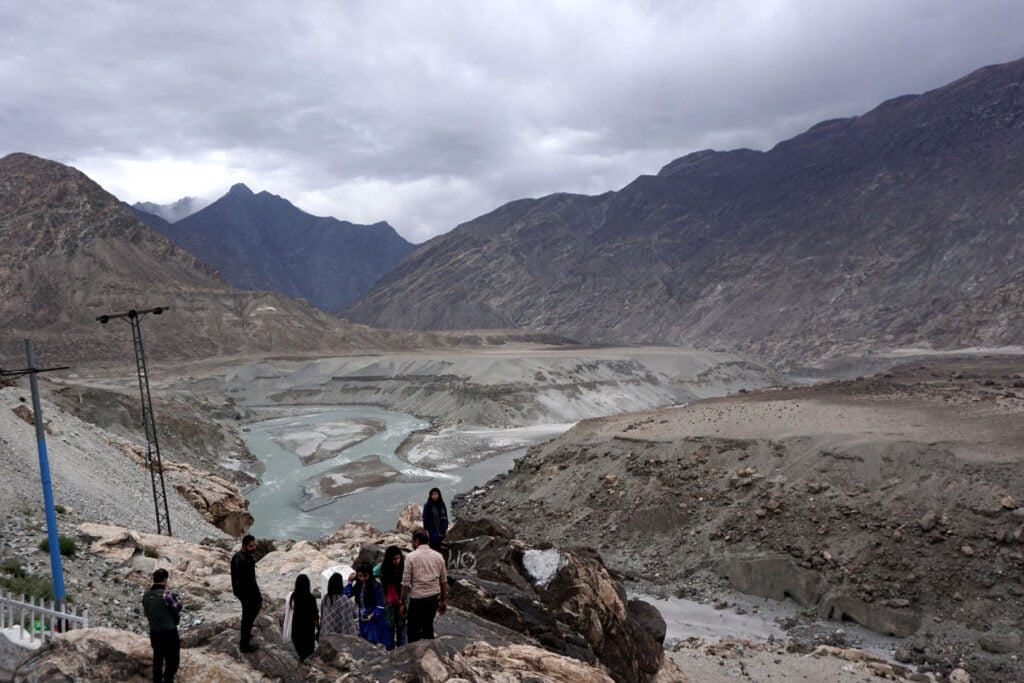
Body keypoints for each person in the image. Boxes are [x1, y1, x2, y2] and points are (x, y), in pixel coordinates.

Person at [400, 528, 447, 642]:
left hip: (417, 598)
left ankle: (414, 656)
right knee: (428, 626)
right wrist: (443, 601)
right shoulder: (438, 556)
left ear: (416, 542)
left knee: (412, 631)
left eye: (412, 541)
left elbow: (405, 583)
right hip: (433, 598)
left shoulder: (410, 557)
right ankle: (430, 651)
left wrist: (403, 603)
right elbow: (443, 581)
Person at [141, 567, 183, 683]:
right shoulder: (167, 594)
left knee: (158, 660)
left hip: (154, 632)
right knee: (173, 660)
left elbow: (147, 612)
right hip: (169, 631)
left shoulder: (145, 595)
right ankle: (168, 680)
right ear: (165, 580)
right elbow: (178, 607)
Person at [344, 562, 391, 648]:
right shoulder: (358, 586)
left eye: (365, 576)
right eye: (360, 576)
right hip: (363, 618)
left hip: (373, 619)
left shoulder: (376, 586)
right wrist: (350, 582)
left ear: (370, 575)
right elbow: (346, 595)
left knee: (371, 642)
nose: (362, 578)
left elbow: (380, 605)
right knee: (364, 641)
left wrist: (371, 615)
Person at [230, 534, 263, 652]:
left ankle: (246, 634)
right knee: (248, 617)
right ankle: (245, 644)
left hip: (240, 591)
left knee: (248, 616)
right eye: (251, 546)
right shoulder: (246, 560)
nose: (254, 548)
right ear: (244, 546)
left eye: (254, 545)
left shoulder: (237, 556)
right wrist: (257, 597)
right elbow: (250, 581)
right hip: (247, 593)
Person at [375, 545, 407, 648]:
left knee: (402, 631)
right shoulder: (382, 568)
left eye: (398, 558)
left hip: (403, 602)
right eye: (394, 559)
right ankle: (391, 654)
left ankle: (402, 653)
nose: (397, 561)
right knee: (389, 631)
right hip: (388, 604)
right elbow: (371, 574)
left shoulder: (404, 566)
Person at [282, 574, 319, 662]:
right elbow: (315, 616)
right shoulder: (311, 598)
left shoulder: (292, 597)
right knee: (308, 652)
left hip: (296, 629)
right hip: (307, 631)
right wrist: (318, 626)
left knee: (299, 650)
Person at [319, 572, 359, 637]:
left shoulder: (325, 598)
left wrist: (349, 583)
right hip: (338, 636)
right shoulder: (344, 600)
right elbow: (355, 614)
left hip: (325, 633)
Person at [422, 487, 449, 552]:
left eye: (435, 494)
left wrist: (446, 529)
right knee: (434, 547)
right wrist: (426, 530)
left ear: (438, 495)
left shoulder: (442, 504)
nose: (434, 496)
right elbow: (425, 518)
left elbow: (445, 517)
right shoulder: (428, 505)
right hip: (432, 531)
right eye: (432, 494)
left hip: (441, 530)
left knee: (440, 547)